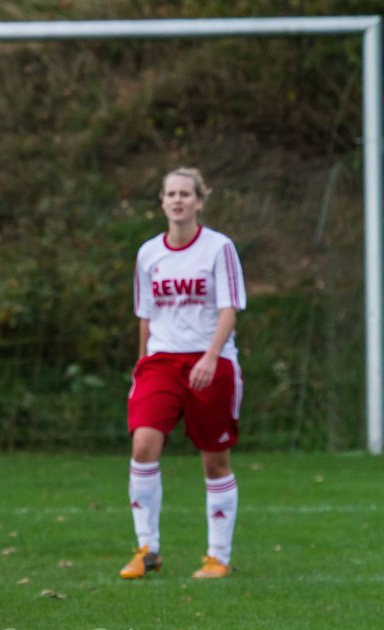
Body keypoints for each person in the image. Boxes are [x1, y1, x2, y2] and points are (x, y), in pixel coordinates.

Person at [120, 167, 246, 581]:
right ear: (161, 202)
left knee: (215, 461)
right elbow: (146, 316)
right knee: (143, 446)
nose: (177, 200)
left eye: (185, 194)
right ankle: (146, 548)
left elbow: (229, 308)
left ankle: (218, 556)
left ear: (199, 201)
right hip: (161, 362)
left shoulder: (218, 248)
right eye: (170, 194)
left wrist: (211, 357)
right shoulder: (148, 253)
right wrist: (142, 364)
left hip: (211, 361)